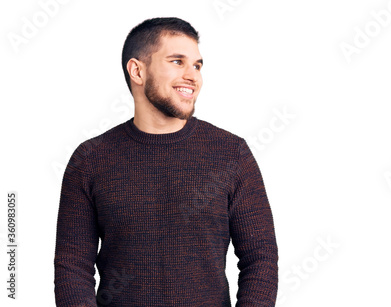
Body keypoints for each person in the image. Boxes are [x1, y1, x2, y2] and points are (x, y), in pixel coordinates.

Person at [54, 17, 278, 306]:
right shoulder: (90, 159)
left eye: (197, 65)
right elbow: (72, 268)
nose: (193, 76)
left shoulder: (232, 153)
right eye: (177, 61)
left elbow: (261, 261)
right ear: (137, 70)